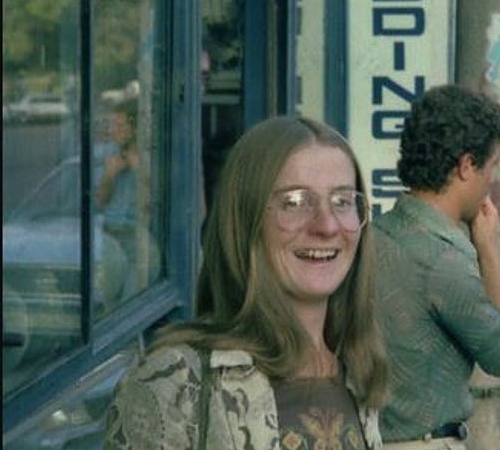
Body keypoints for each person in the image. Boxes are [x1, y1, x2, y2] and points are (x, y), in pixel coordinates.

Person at [104, 116, 389, 449]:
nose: (326, 226)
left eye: (342, 201)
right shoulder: (178, 381)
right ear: (245, 220)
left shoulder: (357, 371)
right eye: (294, 202)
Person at [374, 85, 500, 448]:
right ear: (466, 166)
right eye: (489, 168)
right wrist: (488, 249)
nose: (491, 182)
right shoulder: (443, 261)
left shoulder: (371, 235)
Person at [94, 98, 145, 293]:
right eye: (111, 124)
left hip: (138, 237)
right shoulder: (110, 153)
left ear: (135, 128)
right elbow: (99, 200)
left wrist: (139, 171)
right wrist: (109, 175)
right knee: (110, 302)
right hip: (111, 235)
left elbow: (155, 203)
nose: (112, 130)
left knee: (132, 297)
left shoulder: (152, 156)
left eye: (118, 125)